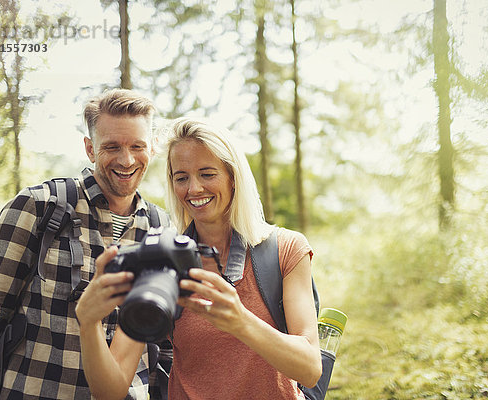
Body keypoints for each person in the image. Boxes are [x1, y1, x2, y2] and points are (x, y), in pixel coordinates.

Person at [76, 117, 322, 399]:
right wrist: (88, 323)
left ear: (232, 177)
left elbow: (310, 368)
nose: (193, 189)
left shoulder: (286, 249)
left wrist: (241, 321)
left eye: (207, 174)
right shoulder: (161, 261)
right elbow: (110, 390)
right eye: (182, 178)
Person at [0, 89, 169, 399]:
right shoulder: (37, 207)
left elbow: (166, 345)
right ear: (90, 149)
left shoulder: (162, 229)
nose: (127, 159)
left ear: (152, 148)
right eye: (112, 147)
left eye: (137, 146)